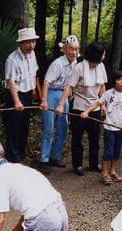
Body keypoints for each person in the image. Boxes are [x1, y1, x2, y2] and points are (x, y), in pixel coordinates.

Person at [56, 42, 107, 176]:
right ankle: (77, 164)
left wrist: (103, 104)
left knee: (95, 137)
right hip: (79, 106)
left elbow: (102, 87)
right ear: (97, 55)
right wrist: (61, 104)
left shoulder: (101, 67)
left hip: (94, 106)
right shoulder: (79, 67)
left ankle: (94, 163)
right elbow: (69, 87)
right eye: (103, 53)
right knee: (77, 137)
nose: (104, 56)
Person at [81, 69, 122, 185]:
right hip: (109, 128)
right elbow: (97, 103)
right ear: (114, 81)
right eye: (119, 79)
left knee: (117, 150)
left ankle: (113, 170)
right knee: (108, 150)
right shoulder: (108, 94)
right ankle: (104, 173)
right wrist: (86, 111)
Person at [37, 34, 80, 174]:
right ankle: (43, 159)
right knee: (49, 128)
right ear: (65, 49)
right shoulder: (58, 63)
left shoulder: (75, 63)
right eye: (71, 49)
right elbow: (46, 82)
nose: (73, 52)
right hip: (51, 93)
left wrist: (70, 95)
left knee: (63, 128)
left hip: (64, 94)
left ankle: (54, 156)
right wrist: (43, 100)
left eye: (76, 49)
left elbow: (71, 83)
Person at [4, 27, 40, 163]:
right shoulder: (12, 59)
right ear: (21, 43)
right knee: (14, 127)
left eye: (33, 42)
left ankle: (21, 154)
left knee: (24, 126)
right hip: (16, 95)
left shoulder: (32, 55)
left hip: (28, 94)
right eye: (28, 42)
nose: (31, 45)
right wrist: (16, 101)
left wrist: (34, 90)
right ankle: (13, 158)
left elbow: (33, 73)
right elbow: (11, 82)